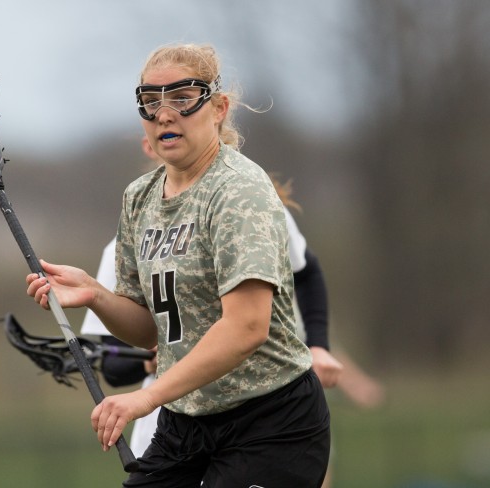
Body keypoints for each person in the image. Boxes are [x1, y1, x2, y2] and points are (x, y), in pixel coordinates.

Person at [26, 43, 330, 486]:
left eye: (182, 98)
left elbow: (247, 327)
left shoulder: (238, 190)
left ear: (219, 107)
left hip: (271, 421)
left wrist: (145, 400)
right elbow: (150, 330)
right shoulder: (139, 198)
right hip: (186, 422)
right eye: (150, 102)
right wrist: (96, 294)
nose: (164, 114)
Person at [81, 138, 344, 459]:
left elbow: (304, 272)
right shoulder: (133, 225)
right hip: (171, 416)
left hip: (260, 408)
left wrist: (318, 344)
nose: (170, 124)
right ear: (148, 145)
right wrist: (152, 356)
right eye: (153, 112)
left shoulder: (250, 204)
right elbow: (114, 364)